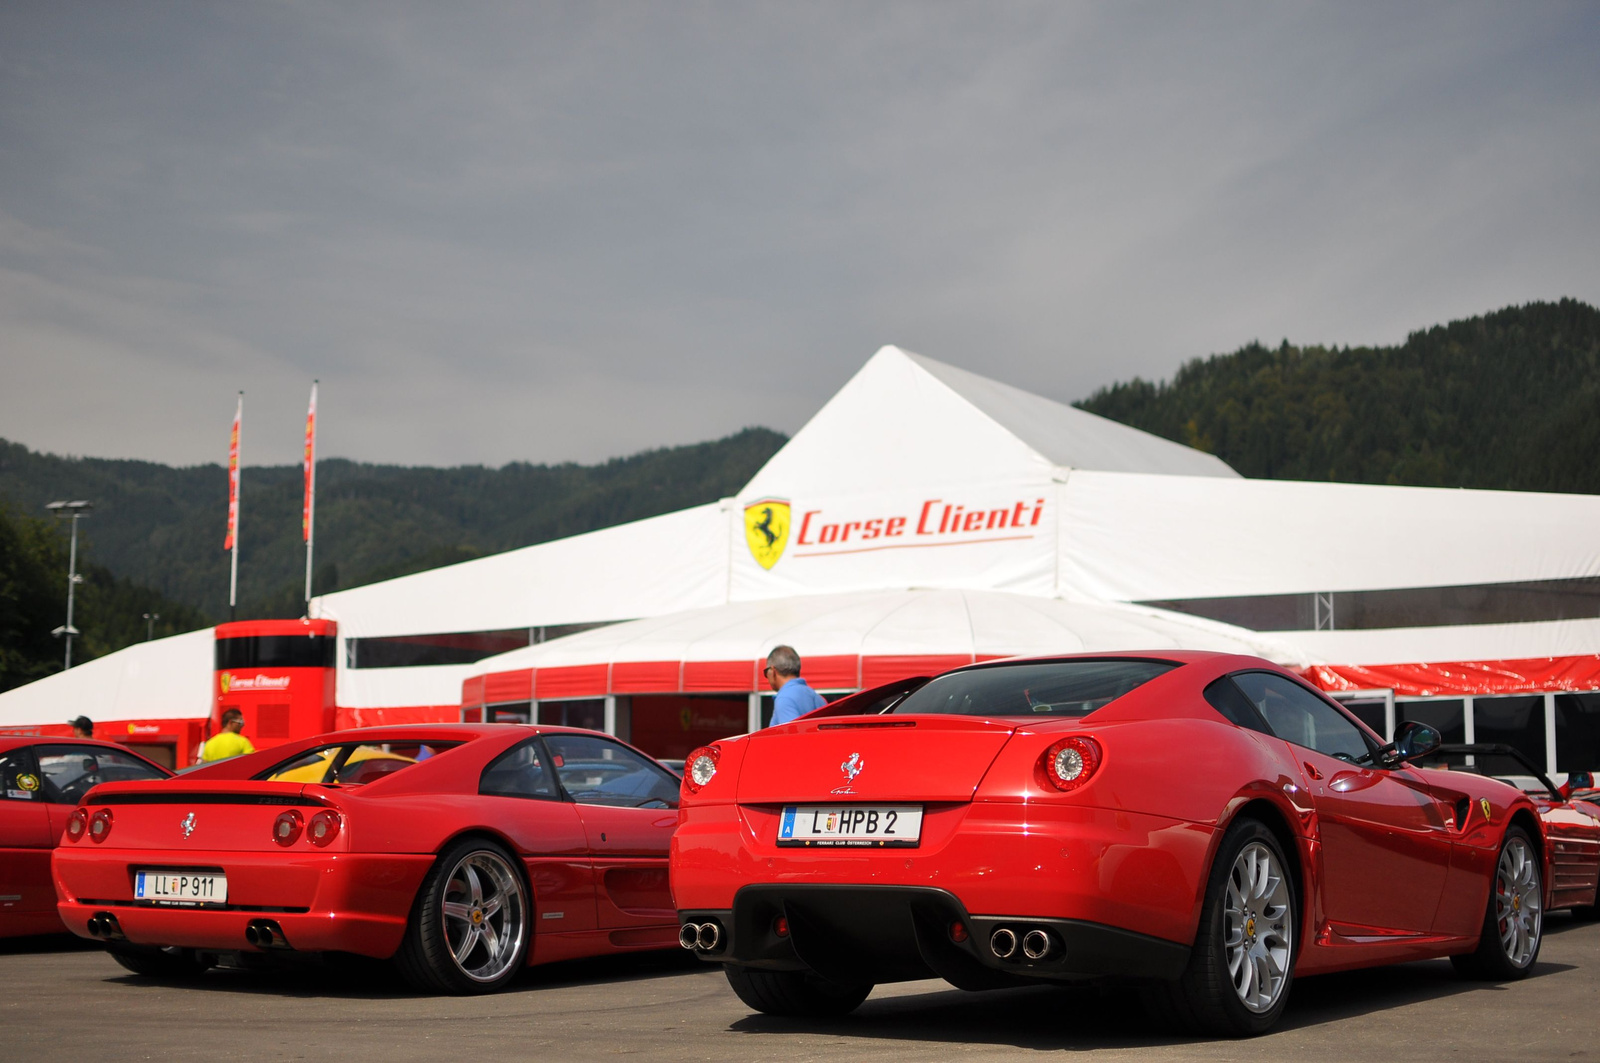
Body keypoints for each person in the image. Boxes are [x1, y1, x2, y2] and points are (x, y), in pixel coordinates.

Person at [765, 645, 827, 726]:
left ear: (773, 671)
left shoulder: (784, 698)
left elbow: (791, 736)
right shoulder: (817, 697)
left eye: (766, 672)